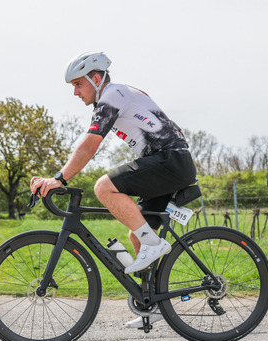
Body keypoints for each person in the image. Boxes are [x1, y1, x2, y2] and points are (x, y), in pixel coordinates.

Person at [30, 52, 197, 327]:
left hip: (171, 161)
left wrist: (59, 178)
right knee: (137, 233)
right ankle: (155, 304)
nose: (75, 92)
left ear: (96, 79)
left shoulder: (112, 95)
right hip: (169, 163)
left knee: (104, 187)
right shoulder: (120, 94)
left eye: (78, 84)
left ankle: (154, 245)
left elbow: (90, 144)